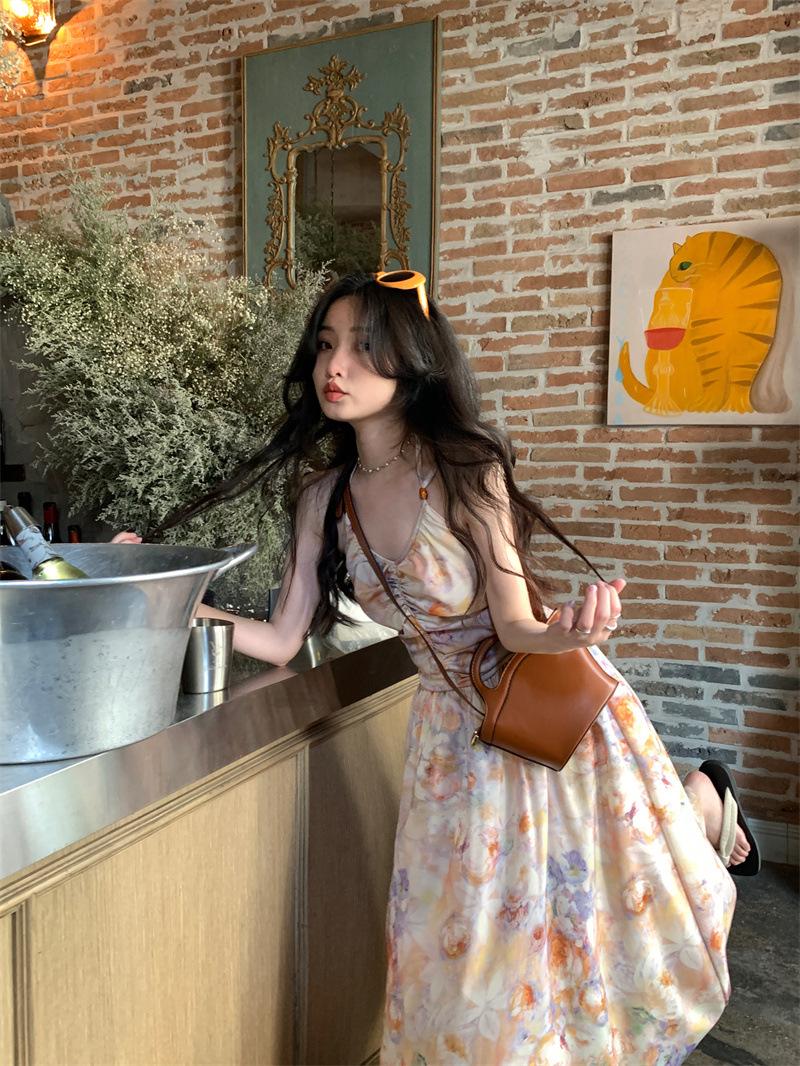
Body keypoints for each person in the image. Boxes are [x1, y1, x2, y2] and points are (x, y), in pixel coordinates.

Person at [114, 270, 758, 1064]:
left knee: (611, 897)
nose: (334, 367)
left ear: (409, 362)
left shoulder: (464, 469)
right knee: (456, 945)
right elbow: (280, 640)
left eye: (363, 348)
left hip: (539, 708)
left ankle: (703, 801)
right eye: (325, 346)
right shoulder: (324, 497)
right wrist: (164, 597)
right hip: (448, 744)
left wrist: (575, 629)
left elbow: (518, 626)